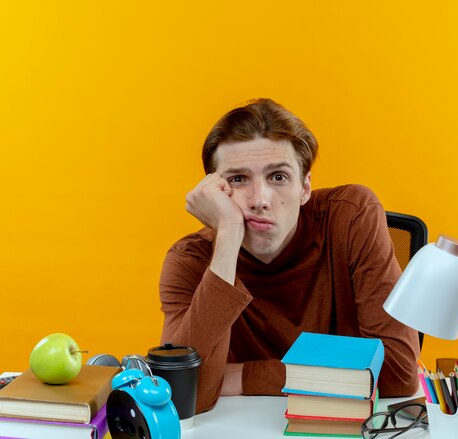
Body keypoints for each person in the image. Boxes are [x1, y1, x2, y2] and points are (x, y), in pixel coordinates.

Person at [159, 98, 420, 413]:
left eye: (278, 177)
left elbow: (398, 372)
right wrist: (227, 234)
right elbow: (185, 395)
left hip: (344, 428)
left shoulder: (351, 217)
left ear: (305, 187)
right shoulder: (189, 260)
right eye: (237, 179)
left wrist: (244, 375)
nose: (260, 200)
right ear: (214, 191)